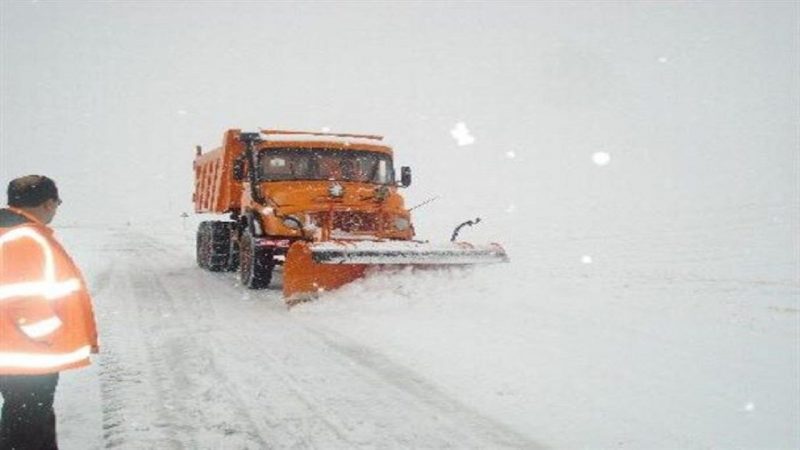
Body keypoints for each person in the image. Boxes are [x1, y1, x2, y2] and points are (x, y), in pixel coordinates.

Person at [0, 175, 99, 449]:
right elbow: (22, 297)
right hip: (26, 351)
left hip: (16, 347)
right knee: (26, 424)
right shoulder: (24, 238)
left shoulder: (10, 232)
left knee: (30, 417)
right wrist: (49, 336)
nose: (56, 210)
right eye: (57, 203)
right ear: (48, 203)